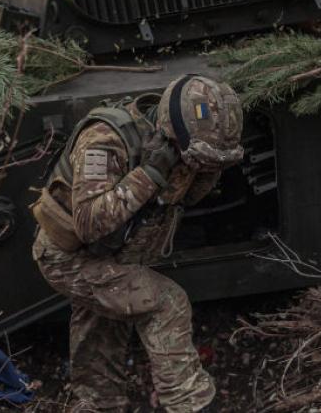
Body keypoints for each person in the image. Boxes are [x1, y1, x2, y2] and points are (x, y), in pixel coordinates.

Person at [30, 74, 245, 412]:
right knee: (166, 304)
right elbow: (88, 224)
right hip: (68, 258)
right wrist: (149, 174)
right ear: (175, 131)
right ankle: (191, 405)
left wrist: (203, 172)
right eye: (202, 157)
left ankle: (98, 404)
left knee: (101, 332)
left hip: (114, 256)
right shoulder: (105, 139)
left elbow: (182, 200)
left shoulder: (181, 149)